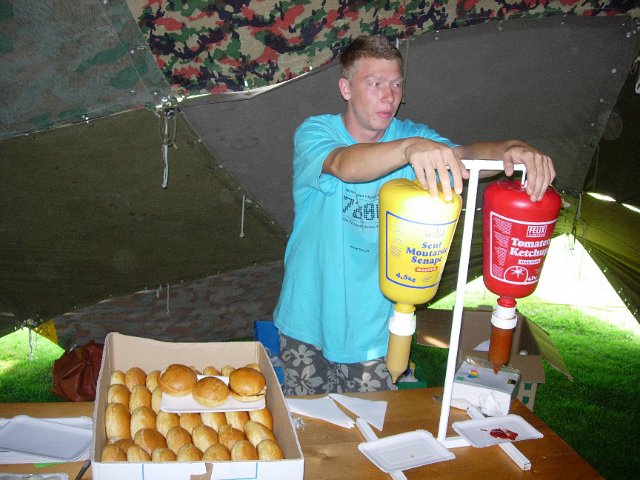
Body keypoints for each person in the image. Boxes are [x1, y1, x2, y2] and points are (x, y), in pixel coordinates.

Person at [273, 35, 556, 396]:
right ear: (346, 88)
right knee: (306, 424)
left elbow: (465, 158)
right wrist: (409, 149)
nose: (389, 96)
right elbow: (344, 165)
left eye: (396, 84)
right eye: (375, 83)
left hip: (375, 332)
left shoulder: (413, 137)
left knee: (370, 427)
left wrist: (511, 150)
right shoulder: (316, 132)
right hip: (306, 320)